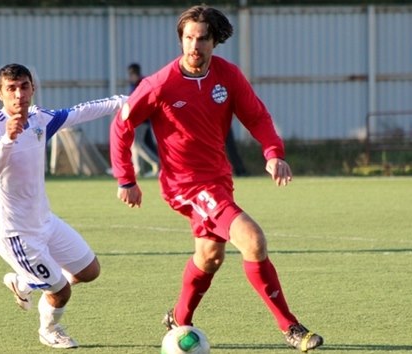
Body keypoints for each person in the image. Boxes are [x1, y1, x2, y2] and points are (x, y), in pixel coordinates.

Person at [110, 6, 323, 352]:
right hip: (185, 185)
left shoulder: (228, 76)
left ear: (215, 41)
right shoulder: (160, 84)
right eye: (189, 38)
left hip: (218, 180)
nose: (195, 45)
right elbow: (122, 124)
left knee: (210, 256)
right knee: (253, 240)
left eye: (202, 38)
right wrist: (126, 179)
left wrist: (273, 153)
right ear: (181, 40)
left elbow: (257, 116)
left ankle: (178, 318)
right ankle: (291, 327)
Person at [0, 63, 126, 349]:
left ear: (33, 88)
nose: (18, 94)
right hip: (16, 234)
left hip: (45, 221)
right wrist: (9, 138)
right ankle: (49, 329)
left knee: (90, 271)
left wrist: (124, 101)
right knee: (61, 291)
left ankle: (25, 283)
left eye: (24, 86)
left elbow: (81, 111)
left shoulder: (40, 119)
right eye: (11, 89)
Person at [127, 63, 159, 177]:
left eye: (131, 75)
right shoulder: (133, 84)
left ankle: (157, 163)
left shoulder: (142, 83)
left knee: (137, 145)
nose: (130, 77)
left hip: (143, 120)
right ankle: (138, 169)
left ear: (136, 74)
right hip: (136, 120)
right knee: (139, 144)